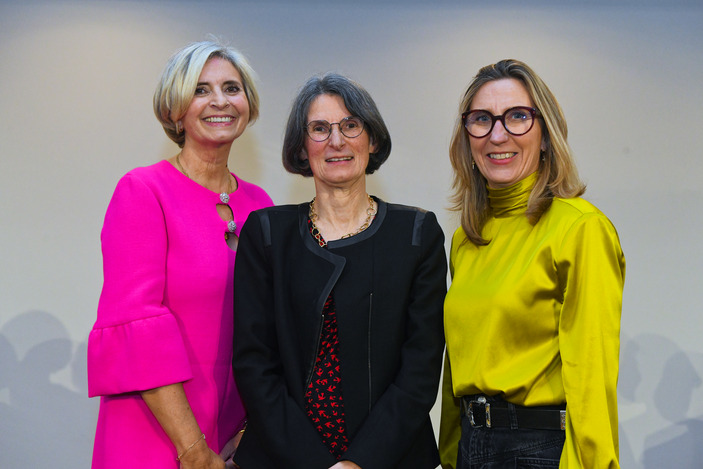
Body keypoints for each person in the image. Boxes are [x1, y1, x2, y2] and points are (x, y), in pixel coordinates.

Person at [231, 73, 447, 469]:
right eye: (319, 129)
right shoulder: (265, 234)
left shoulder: (417, 233)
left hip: (392, 458)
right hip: (282, 458)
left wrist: (356, 463)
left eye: (351, 125)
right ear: (301, 148)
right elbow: (254, 365)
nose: (337, 141)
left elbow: (420, 368)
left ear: (373, 139)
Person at [87, 40, 273, 468]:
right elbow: (137, 326)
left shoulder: (262, 205)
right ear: (175, 109)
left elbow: (271, 330)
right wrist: (193, 450)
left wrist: (249, 437)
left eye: (231, 87)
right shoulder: (143, 191)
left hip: (238, 443)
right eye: (201, 90)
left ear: (248, 103)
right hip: (156, 435)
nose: (220, 101)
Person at [439, 59, 626, 468]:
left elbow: (591, 376)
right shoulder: (466, 238)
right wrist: (451, 455)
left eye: (518, 117)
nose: (497, 134)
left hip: (539, 451)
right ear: (466, 137)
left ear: (545, 135)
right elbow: (457, 368)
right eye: (481, 119)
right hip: (473, 446)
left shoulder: (579, 229)